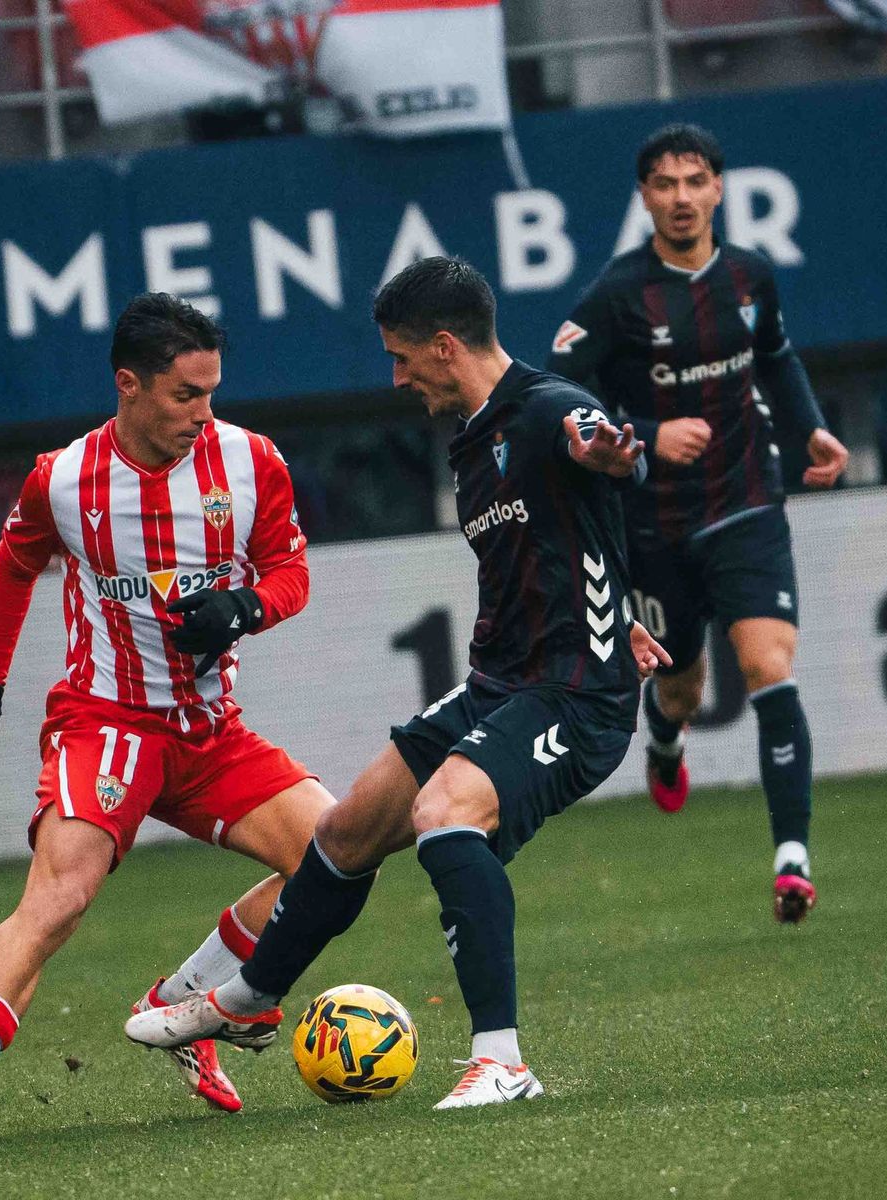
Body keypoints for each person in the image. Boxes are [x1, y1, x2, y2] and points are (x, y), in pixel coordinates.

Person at [126, 257, 669, 1110]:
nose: (397, 377)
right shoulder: (473, 436)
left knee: (445, 813)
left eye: (403, 358)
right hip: (502, 681)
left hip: (574, 695)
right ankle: (247, 998)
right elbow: (560, 544)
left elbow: (606, 457)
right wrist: (609, 599)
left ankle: (502, 1061)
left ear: (445, 347)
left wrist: (615, 457)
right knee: (347, 830)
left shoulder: (552, 410)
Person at [0, 293, 334, 1152]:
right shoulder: (61, 478)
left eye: (210, 392)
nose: (203, 414)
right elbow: (11, 569)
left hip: (211, 729)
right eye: (183, 395)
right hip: (107, 724)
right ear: (128, 385)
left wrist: (243, 606)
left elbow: (290, 571)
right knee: (56, 901)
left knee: (334, 857)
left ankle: (182, 1004)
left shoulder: (251, 461)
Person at [546, 123, 850, 923]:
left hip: (748, 499)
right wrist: (645, 437)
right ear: (645, 196)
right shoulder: (615, 296)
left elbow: (777, 356)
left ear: (718, 188)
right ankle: (667, 740)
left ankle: (792, 859)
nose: (681, 197)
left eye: (695, 181)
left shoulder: (750, 277)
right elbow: (555, 399)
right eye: (664, 183)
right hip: (653, 525)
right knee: (680, 687)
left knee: (769, 666)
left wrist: (809, 425)